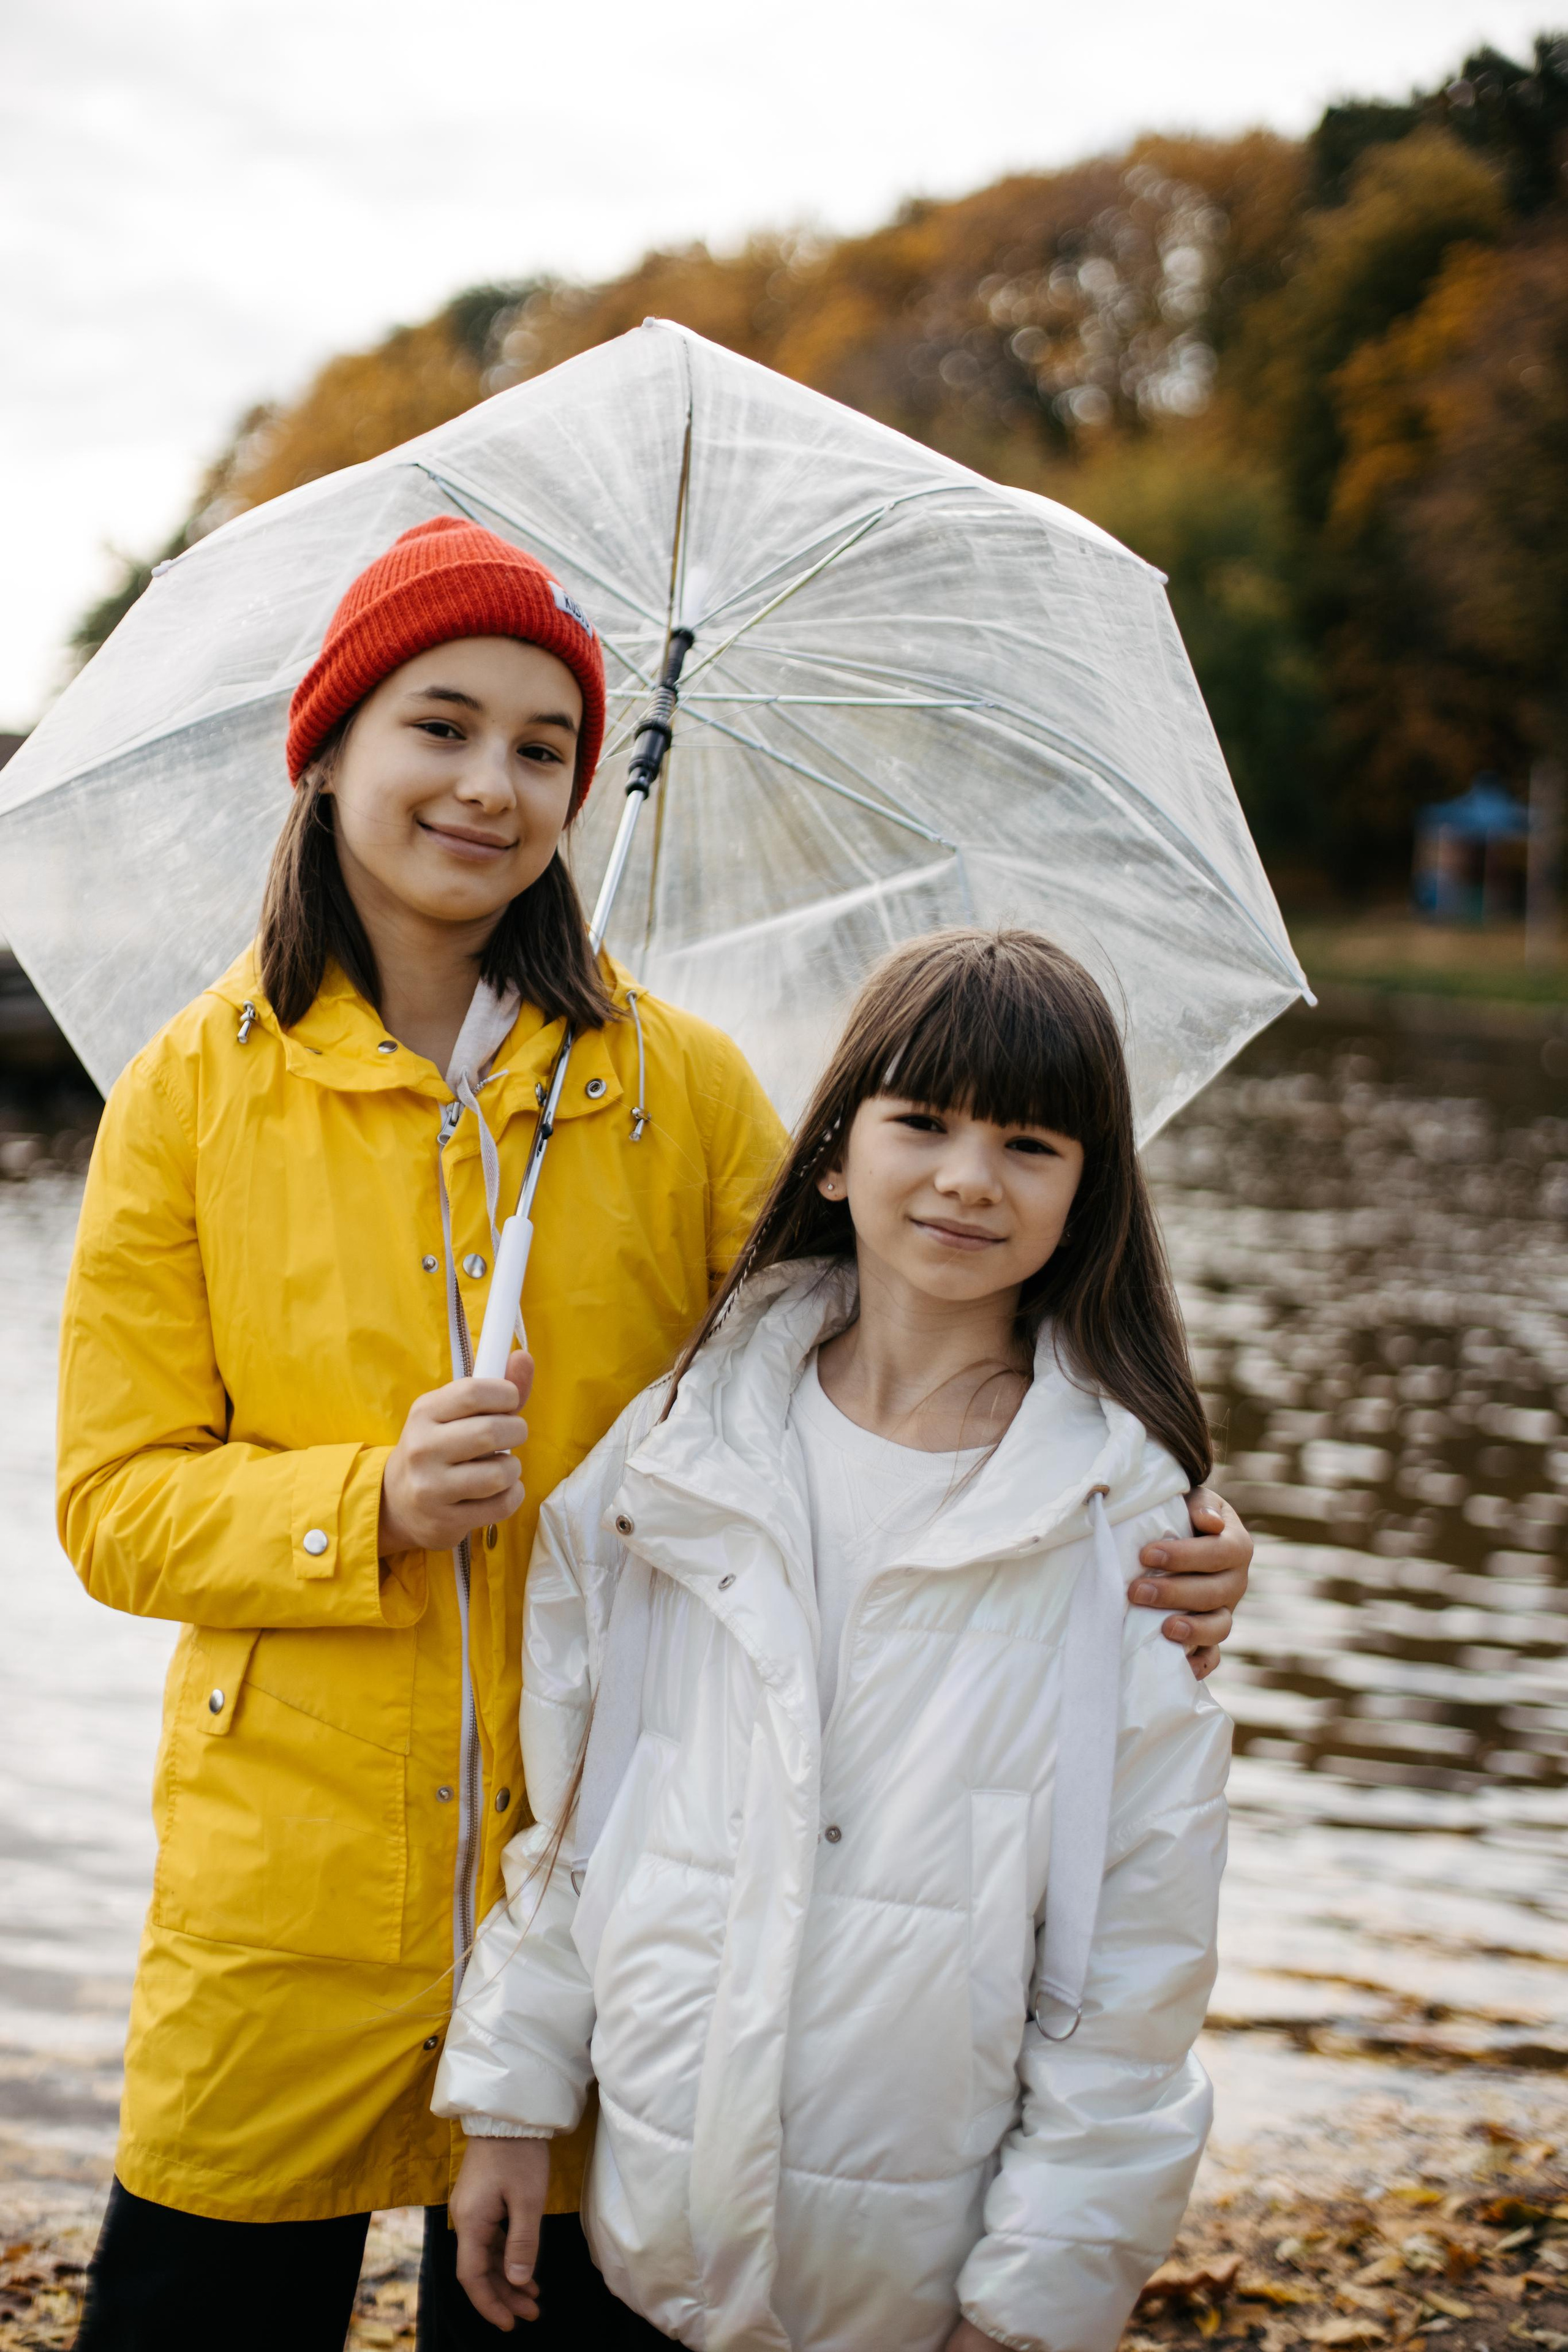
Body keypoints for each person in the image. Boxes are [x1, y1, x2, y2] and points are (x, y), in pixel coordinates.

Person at [55, 519, 1249, 2351]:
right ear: (331, 748)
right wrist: (359, 1504)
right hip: (286, 1893)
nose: (490, 785)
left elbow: (856, 1373)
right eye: (440, 727)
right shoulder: (189, 1094)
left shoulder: (674, 1087)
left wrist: (1150, 1528)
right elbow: (112, 1506)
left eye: (545, 749)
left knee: (534, 2313)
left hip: (627, 1887)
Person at [438, 929, 1232, 2352]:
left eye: (1027, 1144)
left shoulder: (1120, 1529)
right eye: (920, 1123)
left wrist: (1035, 2303)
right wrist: (508, 2097)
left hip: (914, 2288)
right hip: (639, 2238)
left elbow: (1135, 1967)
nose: (965, 1177)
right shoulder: (676, 1453)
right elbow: (571, 1811)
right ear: (829, 1155)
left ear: (1086, 1196)